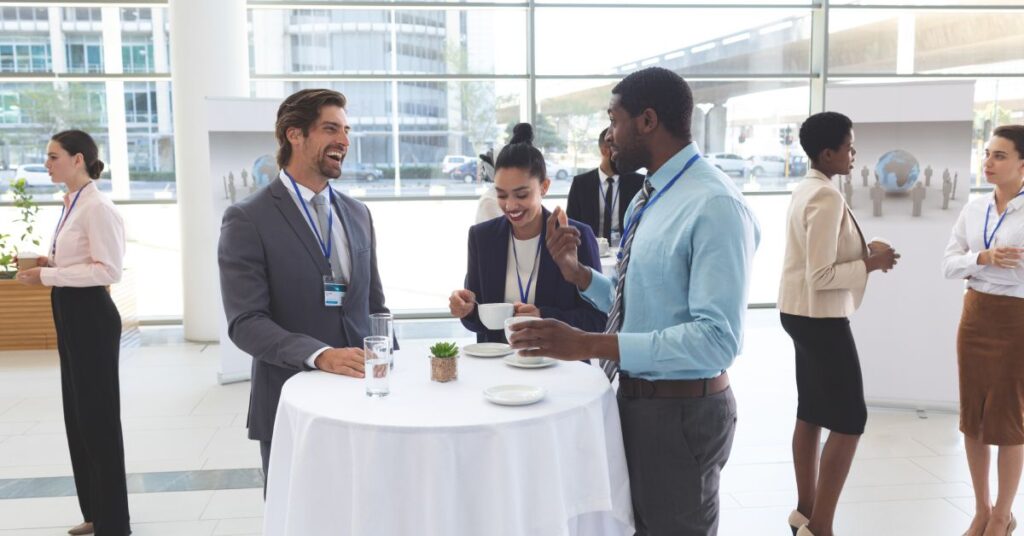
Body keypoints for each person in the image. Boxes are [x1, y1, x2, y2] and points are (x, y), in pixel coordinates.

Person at [508, 67, 760, 535]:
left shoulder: (713, 205)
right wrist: (579, 274)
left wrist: (588, 345)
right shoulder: (652, 197)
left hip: (681, 416)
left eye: (613, 119)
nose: (608, 135)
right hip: (638, 404)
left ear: (647, 121)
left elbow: (716, 340)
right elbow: (641, 304)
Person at [218, 88, 393, 484]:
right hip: (292, 401)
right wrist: (321, 355)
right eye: (331, 128)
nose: (345, 141)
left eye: (347, 130)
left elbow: (375, 305)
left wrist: (392, 368)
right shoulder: (247, 218)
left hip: (365, 400)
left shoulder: (358, 213)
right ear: (293, 135)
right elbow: (245, 321)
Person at [778, 112, 900, 536]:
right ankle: (822, 527)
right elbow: (821, 275)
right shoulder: (826, 196)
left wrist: (866, 256)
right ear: (827, 153)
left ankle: (804, 513)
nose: (853, 154)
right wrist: (872, 263)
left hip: (798, 313)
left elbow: (814, 264)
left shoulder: (807, 187)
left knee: (810, 411)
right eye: (849, 147)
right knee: (850, 421)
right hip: (820, 318)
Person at [16, 130, 129, 536]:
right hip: (69, 309)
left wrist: (47, 273)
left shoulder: (97, 207)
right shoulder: (72, 204)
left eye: (52, 156)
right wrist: (51, 261)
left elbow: (108, 270)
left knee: (97, 417)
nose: (46, 164)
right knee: (78, 416)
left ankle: (114, 522)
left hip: (91, 316)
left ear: (78, 159)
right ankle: (96, 513)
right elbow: (81, 259)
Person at [450, 123, 606, 342]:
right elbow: (477, 318)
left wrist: (543, 317)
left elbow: (598, 320)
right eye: (501, 195)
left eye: (521, 195)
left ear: (544, 187)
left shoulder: (574, 235)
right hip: (499, 365)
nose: (511, 205)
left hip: (558, 368)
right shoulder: (482, 238)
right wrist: (465, 309)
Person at [942, 124, 1024, 536]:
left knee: (1009, 418)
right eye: (987, 154)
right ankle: (981, 507)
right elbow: (948, 264)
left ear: (1022, 163)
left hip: (1017, 320)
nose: (988, 162)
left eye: (1000, 156)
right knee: (972, 416)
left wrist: (980, 263)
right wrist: (986, 258)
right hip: (974, 314)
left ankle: (1002, 515)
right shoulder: (974, 209)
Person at [566, 127, 644, 242]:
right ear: (605, 151)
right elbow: (571, 223)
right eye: (620, 148)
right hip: (591, 251)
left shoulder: (638, 183)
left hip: (626, 251)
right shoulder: (581, 184)